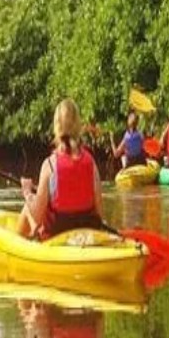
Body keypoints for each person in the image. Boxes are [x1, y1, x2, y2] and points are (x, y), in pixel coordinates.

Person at [17, 98, 104, 238]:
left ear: (56, 127)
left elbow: (38, 216)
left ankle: (19, 245)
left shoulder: (49, 165)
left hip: (57, 236)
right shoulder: (91, 162)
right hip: (86, 232)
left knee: (28, 207)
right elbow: (99, 212)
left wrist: (27, 191)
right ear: (78, 125)